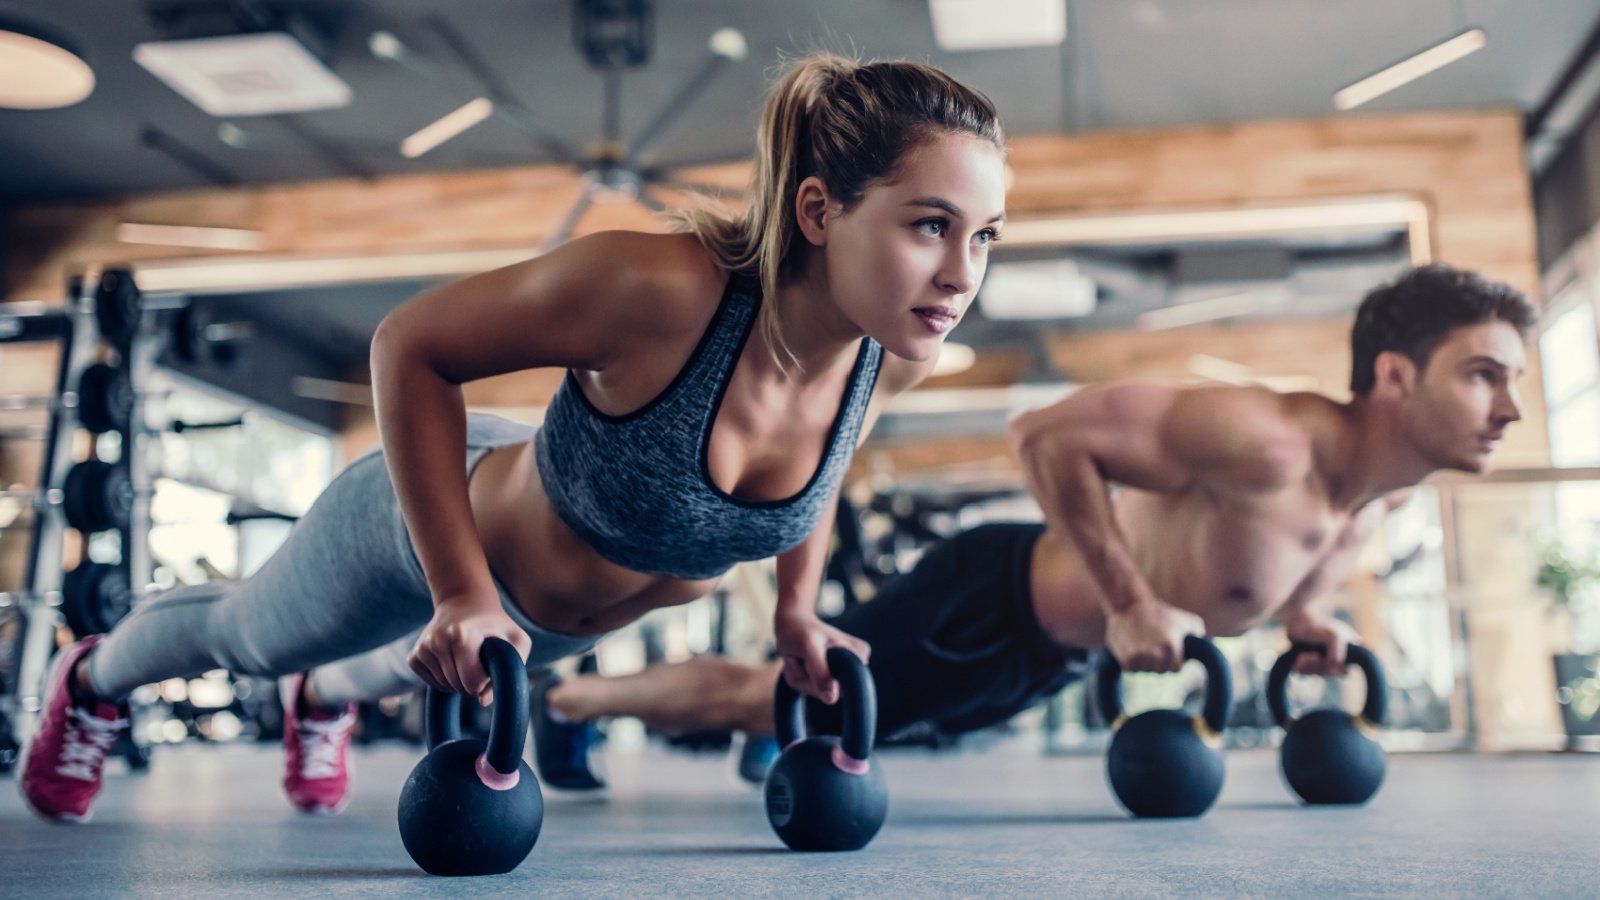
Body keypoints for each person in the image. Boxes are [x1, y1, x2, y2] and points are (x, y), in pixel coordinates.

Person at [19, 52, 1010, 822]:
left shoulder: (890, 354)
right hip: (431, 525)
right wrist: (458, 590)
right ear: (817, 211)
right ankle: (94, 680)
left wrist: (796, 611)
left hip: (522, 626)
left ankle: (324, 702)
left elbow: (819, 476)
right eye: (931, 224)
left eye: (984, 236)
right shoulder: (658, 292)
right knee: (245, 642)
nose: (962, 273)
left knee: (392, 664)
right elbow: (410, 345)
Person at [534, 264, 1534, 766]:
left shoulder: (1377, 496)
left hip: (1039, 655)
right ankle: (570, 705)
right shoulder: (1263, 437)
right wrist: (1131, 600)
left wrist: (1306, 620)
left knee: (846, 731)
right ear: (1395, 377)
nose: (1512, 408)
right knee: (770, 698)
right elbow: (1044, 434)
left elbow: (1257, 565)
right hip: (991, 598)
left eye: (1516, 382)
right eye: (1484, 375)